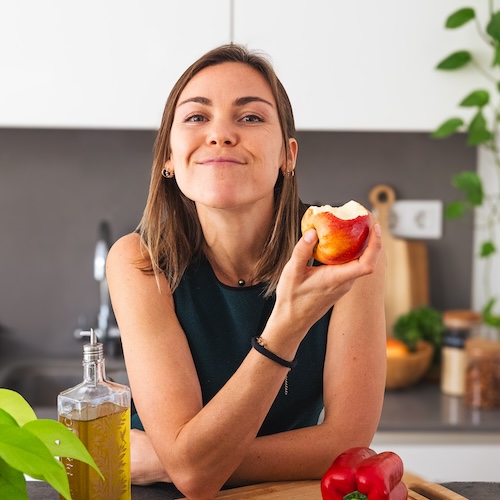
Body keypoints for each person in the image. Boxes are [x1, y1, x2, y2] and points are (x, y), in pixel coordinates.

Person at [106, 43, 386, 500]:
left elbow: (346, 444)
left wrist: (171, 460)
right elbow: (193, 480)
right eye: (197, 117)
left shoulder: (345, 256)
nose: (220, 134)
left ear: (287, 155)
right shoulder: (138, 261)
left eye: (251, 117)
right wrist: (188, 466)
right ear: (169, 159)